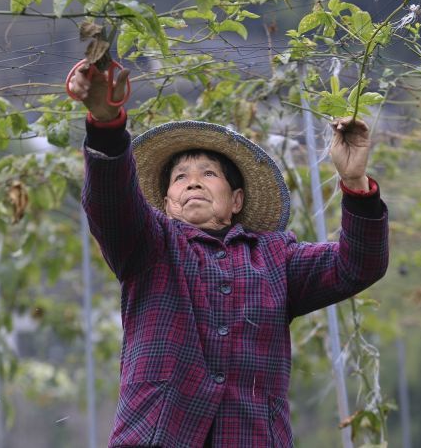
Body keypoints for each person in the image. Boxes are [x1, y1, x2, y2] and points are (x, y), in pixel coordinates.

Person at [69, 60, 389, 447]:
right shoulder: (149, 245)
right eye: (180, 177)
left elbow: (357, 265)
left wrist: (354, 180)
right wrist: (106, 123)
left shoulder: (276, 257)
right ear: (167, 203)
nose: (193, 184)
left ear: (236, 199)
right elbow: (110, 201)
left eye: (209, 174)